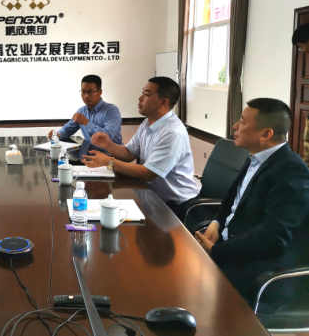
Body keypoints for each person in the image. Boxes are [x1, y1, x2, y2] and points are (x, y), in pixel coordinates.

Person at [195, 98, 309, 299]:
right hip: (228, 245)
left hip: (257, 268)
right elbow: (233, 201)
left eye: (242, 121)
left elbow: (273, 236)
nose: (235, 126)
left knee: (190, 289)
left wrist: (217, 251)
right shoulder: (256, 157)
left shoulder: (291, 171)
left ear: (266, 134)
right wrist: (216, 222)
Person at [84, 77, 200, 214]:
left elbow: (148, 173)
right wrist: (108, 144)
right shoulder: (148, 122)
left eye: (147, 94)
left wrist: (109, 162)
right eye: (142, 93)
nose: (140, 98)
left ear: (163, 102)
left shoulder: (172, 132)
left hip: (177, 204)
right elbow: (128, 153)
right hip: (151, 194)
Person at [47, 75, 122, 145]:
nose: (86, 96)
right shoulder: (82, 111)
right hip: (91, 152)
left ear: (100, 92)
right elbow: (67, 130)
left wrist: (86, 122)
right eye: (83, 92)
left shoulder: (112, 110)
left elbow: (107, 136)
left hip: (111, 153)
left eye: (90, 92)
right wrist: (57, 135)